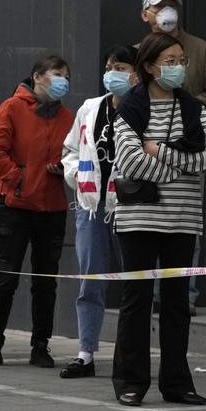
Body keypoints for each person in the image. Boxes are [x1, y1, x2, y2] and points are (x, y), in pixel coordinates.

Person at [111, 32, 206, 407]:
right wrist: (179, 166)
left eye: (181, 60)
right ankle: (131, 381)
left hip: (183, 221)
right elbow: (129, 161)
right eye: (170, 60)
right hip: (138, 218)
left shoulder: (194, 109)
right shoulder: (130, 109)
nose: (177, 67)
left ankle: (176, 383)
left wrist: (159, 149)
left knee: (176, 305)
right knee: (136, 301)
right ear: (151, 66)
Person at [0, 55, 74, 369]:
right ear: (37, 76)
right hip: (15, 206)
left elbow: (73, 153)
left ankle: (40, 345)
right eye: (57, 74)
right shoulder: (13, 108)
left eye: (66, 76)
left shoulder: (67, 117)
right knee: (6, 277)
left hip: (52, 207)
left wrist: (63, 169)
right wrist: (18, 177)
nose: (63, 81)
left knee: (45, 280)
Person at [139, 0, 206, 313]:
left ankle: (183, 293)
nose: (167, 13)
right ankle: (147, 291)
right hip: (148, 150)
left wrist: (186, 106)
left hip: (190, 144)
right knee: (148, 219)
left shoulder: (201, 50)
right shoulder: (140, 52)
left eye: (172, 6)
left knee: (186, 219)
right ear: (146, 14)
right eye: (160, 7)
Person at [59, 45, 138, 379]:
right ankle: (85, 352)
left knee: (134, 282)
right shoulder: (91, 108)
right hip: (91, 207)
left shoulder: (144, 108)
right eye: (108, 65)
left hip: (130, 207)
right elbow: (70, 150)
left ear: (136, 74)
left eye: (119, 66)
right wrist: (76, 175)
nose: (111, 72)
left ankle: (129, 355)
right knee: (90, 279)